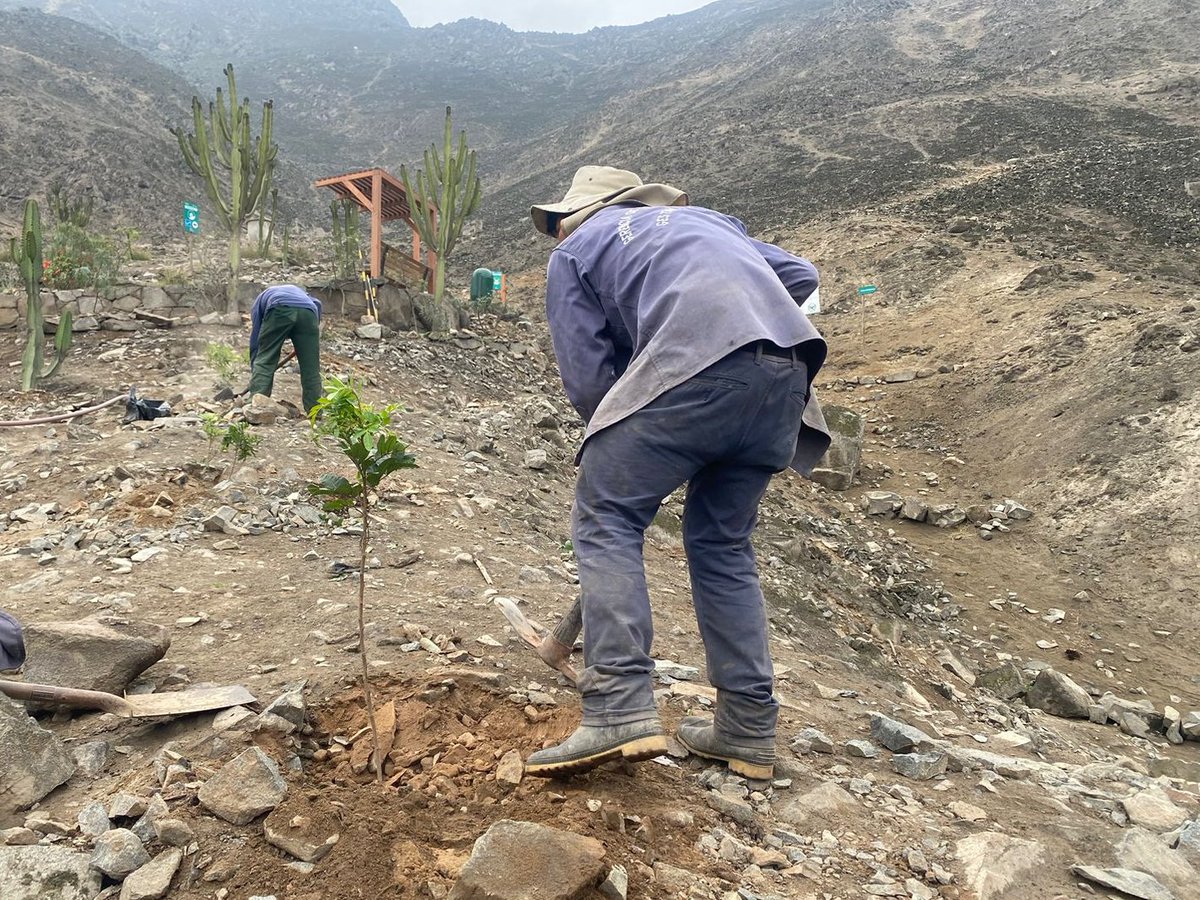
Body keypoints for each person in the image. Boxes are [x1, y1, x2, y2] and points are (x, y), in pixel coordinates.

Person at [524, 166, 830, 780]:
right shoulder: (708, 223)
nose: (556, 230)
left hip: (694, 371)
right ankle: (746, 728)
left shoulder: (576, 250)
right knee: (722, 544)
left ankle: (617, 707)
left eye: (557, 221)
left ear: (579, 213)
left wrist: (628, 425)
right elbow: (800, 276)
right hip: (783, 382)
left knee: (607, 514)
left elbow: (587, 377)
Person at [247, 284, 323, 413]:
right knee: (311, 367)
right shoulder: (305, 296)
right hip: (309, 313)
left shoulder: (260, 302)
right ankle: (315, 411)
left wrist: (256, 365)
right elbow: (318, 305)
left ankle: (257, 407)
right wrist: (306, 342)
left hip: (279, 308)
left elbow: (257, 341)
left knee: (266, 359)